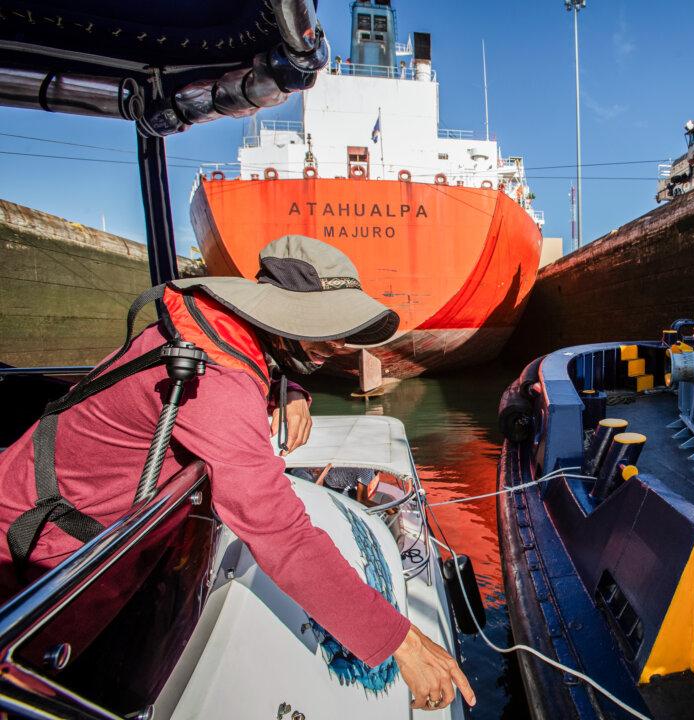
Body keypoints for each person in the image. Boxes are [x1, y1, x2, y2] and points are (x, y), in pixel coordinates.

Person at [0, 235, 475, 711]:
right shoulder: (215, 378)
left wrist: (289, 391)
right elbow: (280, 534)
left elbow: (250, 378)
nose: (339, 346)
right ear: (280, 315)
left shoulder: (218, 335)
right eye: (327, 329)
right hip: (36, 559)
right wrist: (401, 642)